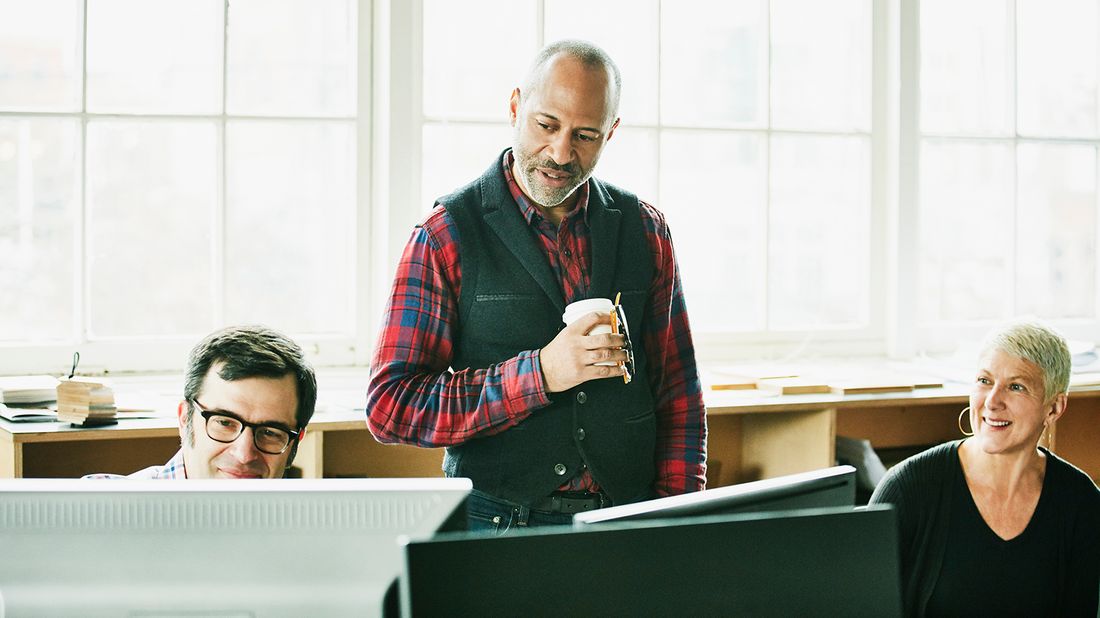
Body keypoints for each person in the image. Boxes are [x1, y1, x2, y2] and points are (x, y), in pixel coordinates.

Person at [366, 39, 707, 531]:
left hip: (628, 524)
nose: (561, 152)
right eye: (546, 125)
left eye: (585, 135)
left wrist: (679, 520)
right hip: (497, 526)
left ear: (610, 133)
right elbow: (391, 407)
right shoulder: (445, 235)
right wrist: (541, 374)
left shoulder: (647, 231)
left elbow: (679, 396)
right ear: (514, 107)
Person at [870, 320, 1100, 616]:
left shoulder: (1081, 504)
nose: (992, 402)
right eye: (984, 381)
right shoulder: (907, 490)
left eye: (1016, 387)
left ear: (1054, 408)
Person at [85, 325, 317, 479]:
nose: (244, 454)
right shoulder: (94, 512)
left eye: (270, 432)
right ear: (185, 419)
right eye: (225, 422)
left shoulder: (316, 534)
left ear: (296, 443)